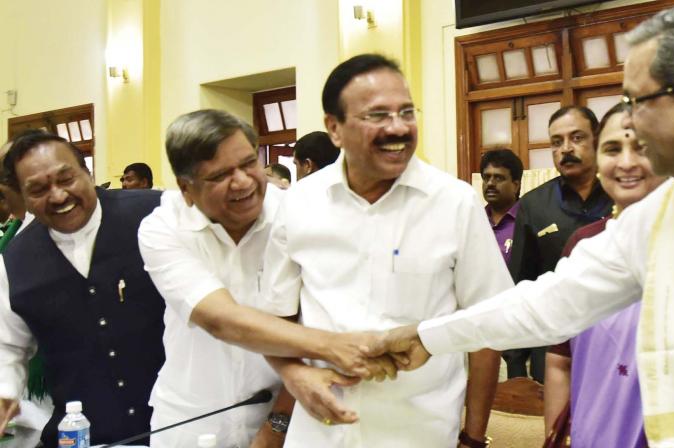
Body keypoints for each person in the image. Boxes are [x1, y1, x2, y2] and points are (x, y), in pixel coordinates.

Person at [374, 4, 674, 447]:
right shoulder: (667, 215)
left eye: (638, 102)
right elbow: (554, 301)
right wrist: (428, 334)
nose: (628, 121)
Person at [261, 54, 512, 448]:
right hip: (320, 434)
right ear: (334, 128)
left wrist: (474, 436)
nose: (397, 127)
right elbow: (276, 320)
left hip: (420, 433)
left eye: (407, 112)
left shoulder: (454, 203)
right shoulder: (299, 204)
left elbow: (488, 326)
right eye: (377, 115)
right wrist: (293, 375)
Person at [138, 109, 394, 447]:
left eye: (248, 164)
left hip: (286, 414)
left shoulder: (299, 216)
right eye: (220, 175)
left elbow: (314, 318)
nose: (243, 181)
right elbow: (222, 320)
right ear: (186, 188)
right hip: (189, 419)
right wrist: (334, 348)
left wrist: (278, 422)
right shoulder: (163, 227)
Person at [0, 130, 166, 446]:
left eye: (66, 179)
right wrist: (4, 393)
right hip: (82, 435)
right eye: (38, 189)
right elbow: (7, 346)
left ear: (87, 173)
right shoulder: (13, 261)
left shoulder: (157, 213)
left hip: (178, 428)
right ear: (22, 195)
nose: (58, 196)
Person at [543, 102, 666, 448]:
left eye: (641, 147)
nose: (626, 162)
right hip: (595, 431)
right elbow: (559, 357)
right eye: (612, 149)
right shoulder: (584, 246)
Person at [504, 106, 613, 381]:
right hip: (553, 348)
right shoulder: (533, 205)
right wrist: (517, 366)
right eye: (556, 142)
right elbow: (521, 286)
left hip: (615, 343)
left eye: (576, 138)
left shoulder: (621, 195)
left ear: (597, 140)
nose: (566, 149)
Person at [480, 149, 523, 267]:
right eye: (486, 177)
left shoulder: (528, 220)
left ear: (515, 185)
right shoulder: (475, 220)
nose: (490, 183)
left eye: (498, 178)